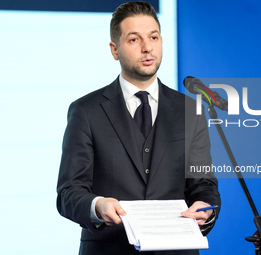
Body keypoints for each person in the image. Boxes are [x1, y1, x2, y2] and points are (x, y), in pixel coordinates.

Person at [56, 1, 221, 254]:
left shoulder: (191, 110)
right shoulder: (85, 111)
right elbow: (68, 193)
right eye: (134, 40)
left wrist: (205, 208)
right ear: (114, 49)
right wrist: (97, 205)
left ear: (161, 41)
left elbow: (203, 183)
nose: (147, 47)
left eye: (153, 37)